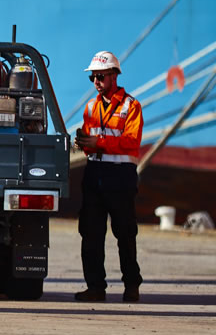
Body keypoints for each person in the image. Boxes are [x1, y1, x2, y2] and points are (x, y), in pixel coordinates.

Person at [73, 51, 144, 303]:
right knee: (90, 232)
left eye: (100, 76)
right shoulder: (91, 106)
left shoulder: (131, 106)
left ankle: (131, 285)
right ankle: (95, 287)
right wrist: (84, 143)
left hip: (120, 177)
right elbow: (92, 141)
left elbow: (131, 141)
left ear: (114, 76)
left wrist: (97, 142)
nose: (96, 81)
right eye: (92, 77)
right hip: (95, 174)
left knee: (125, 233)